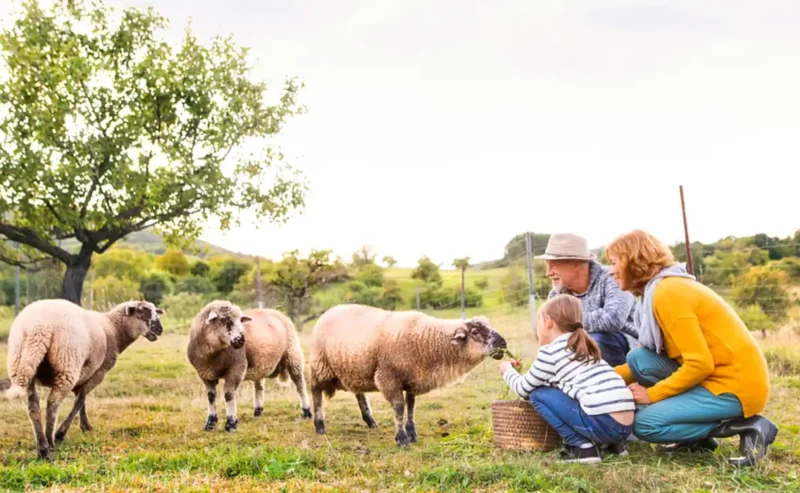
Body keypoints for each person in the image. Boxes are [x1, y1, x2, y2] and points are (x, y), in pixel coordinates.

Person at [606, 229, 778, 467]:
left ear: (634, 260)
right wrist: (599, 378)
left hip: (735, 386)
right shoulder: (658, 291)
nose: (611, 270)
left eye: (614, 262)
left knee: (645, 424)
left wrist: (653, 395)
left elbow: (700, 363)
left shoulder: (668, 293)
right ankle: (697, 440)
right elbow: (648, 363)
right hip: (713, 377)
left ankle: (748, 425)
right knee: (639, 359)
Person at [498, 294, 635, 463]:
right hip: (625, 426)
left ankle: (582, 448)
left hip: (604, 423)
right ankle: (612, 445)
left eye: (538, 323)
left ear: (548, 321)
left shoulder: (550, 352)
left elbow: (523, 389)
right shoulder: (583, 346)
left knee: (537, 394)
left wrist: (507, 370)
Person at [536, 233, 638, 367]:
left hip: (630, 351)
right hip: (581, 351)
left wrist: (565, 323)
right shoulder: (557, 295)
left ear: (576, 264)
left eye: (553, 265)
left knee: (594, 340)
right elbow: (550, 334)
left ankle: (614, 384)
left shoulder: (613, 277)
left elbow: (613, 319)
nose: (548, 273)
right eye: (547, 265)